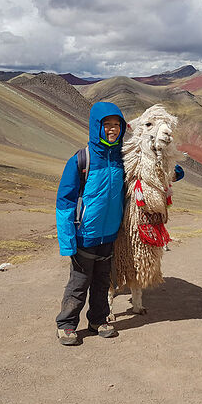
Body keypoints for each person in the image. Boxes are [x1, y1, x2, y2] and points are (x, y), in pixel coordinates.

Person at [55, 102, 127, 346]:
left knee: (102, 281)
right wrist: (67, 241)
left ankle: (97, 320)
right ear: (96, 126)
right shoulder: (81, 159)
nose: (112, 130)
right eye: (107, 124)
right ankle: (66, 324)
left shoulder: (122, 159)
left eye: (117, 125)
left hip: (108, 234)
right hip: (85, 233)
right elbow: (64, 202)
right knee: (79, 282)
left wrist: (173, 169)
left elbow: (156, 171)